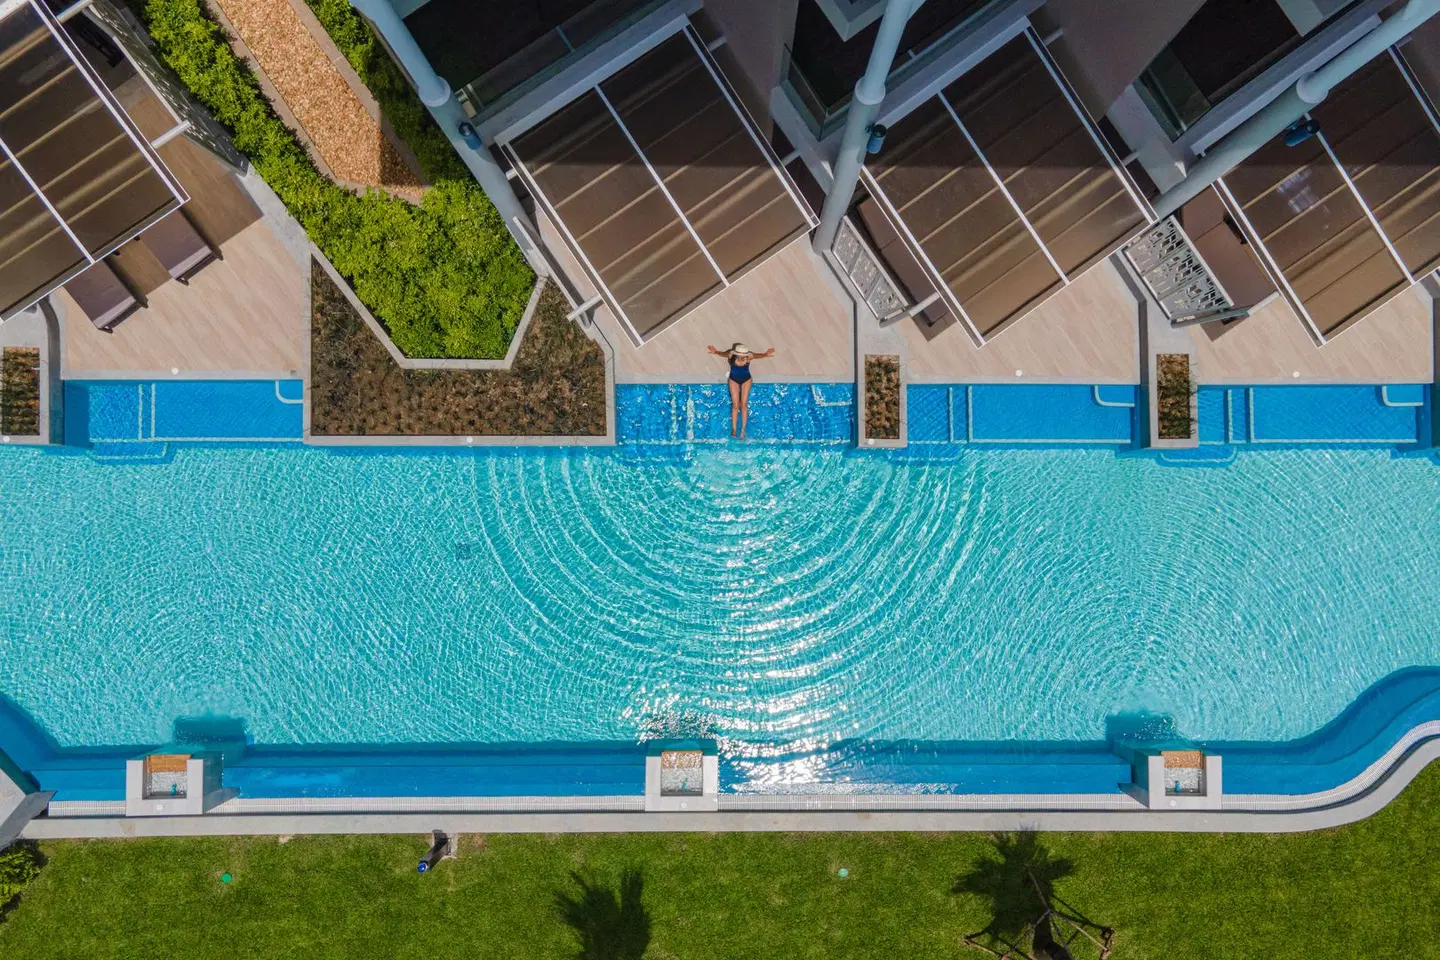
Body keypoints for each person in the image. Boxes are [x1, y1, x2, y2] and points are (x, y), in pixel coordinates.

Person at [707, 342, 776, 438]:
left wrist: (765, 354)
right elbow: (723, 353)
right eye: (740, 354)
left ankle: (743, 430)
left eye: (743, 355)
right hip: (733, 380)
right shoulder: (731, 355)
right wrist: (716, 352)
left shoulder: (749, 357)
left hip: (746, 380)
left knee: (743, 404)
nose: (742, 356)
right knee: (735, 405)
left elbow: (757, 355)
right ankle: (734, 430)